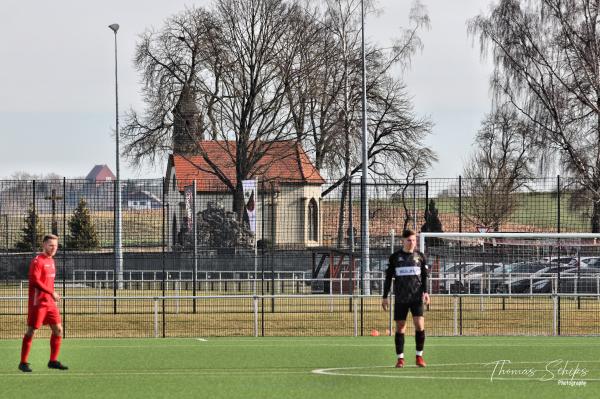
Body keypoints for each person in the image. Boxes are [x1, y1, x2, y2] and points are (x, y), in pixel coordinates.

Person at [18, 234, 68, 372]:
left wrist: (52, 296)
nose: (53, 248)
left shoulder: (51, 261)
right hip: (38, 303)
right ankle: (23, 362)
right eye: (51, 245)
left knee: (58, 330)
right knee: (31, 331)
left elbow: (48, 282)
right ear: (44, 245)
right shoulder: (37, 261)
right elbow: (35, 281)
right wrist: (51, 293)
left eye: (56, 246)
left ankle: (53, 361)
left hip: (50, 303)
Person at [382, 229, 430, 368]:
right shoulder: (395, 257)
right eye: (409, 240)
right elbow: (388, 278)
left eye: (414, 240)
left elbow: (425, 277)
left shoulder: (420, 256)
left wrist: (426, 292)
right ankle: (400, 359)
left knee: (420, 325)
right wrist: (385, 296)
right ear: (403, 241)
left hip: (416, 297)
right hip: (401, 298)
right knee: (400, 326)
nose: (412, 243)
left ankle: (419, 357)